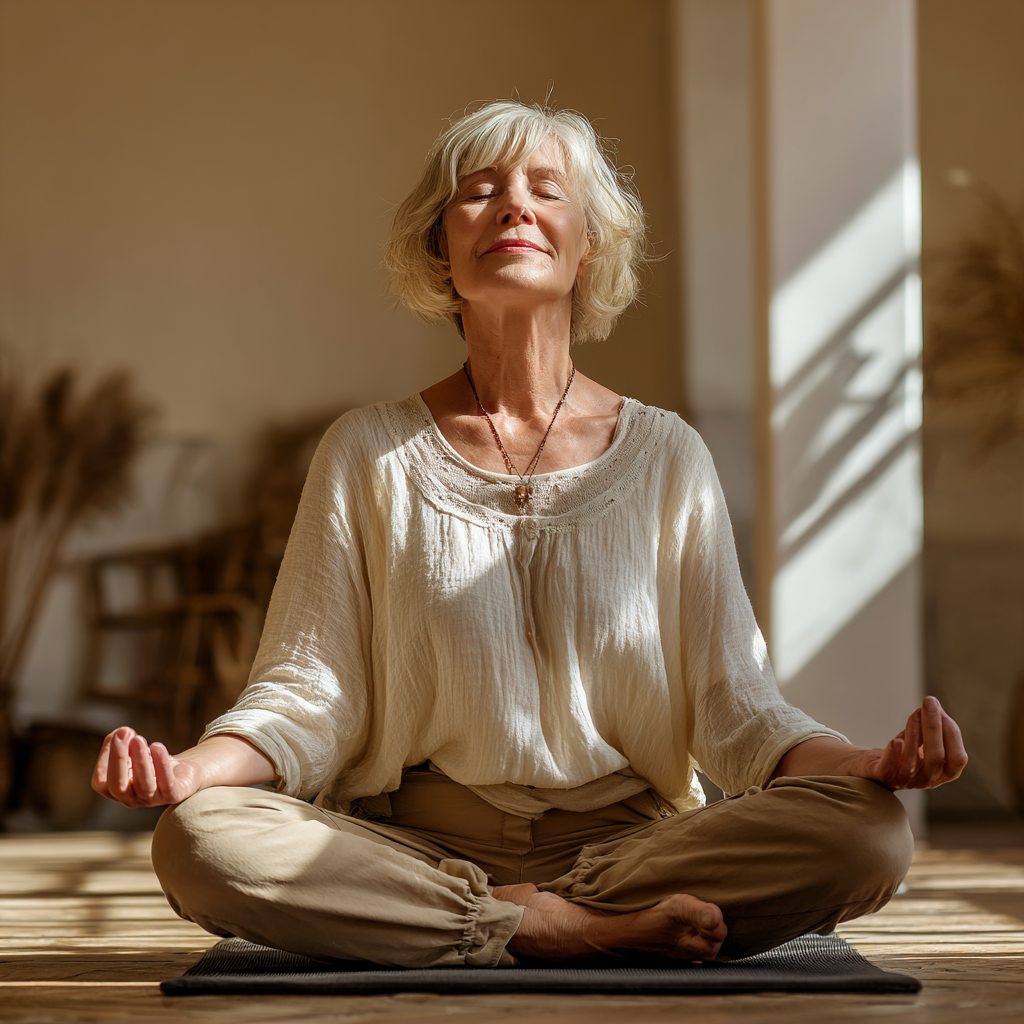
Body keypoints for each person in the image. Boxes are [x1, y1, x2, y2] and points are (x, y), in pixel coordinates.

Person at [92, 100, 967, 969]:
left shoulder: (667, 454)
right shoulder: (367, 451)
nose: (514, 206)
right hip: (420, 852)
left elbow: (736, 706)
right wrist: (192, 774)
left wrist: (869, 762)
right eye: (479, 191)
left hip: (632, 855)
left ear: (589, 245)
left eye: (547, 189)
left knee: (870, 836)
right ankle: (553, 930)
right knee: (199, 840)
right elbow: (306, 694)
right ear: (440, 246)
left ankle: (496, 924)